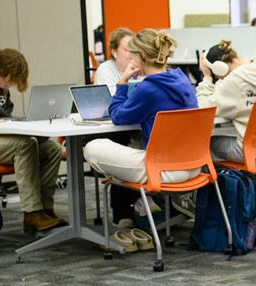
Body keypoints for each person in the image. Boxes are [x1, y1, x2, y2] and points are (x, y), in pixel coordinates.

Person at [83, 29, 199, 184]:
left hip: (164, 168)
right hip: (194, 164)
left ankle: (131, 190)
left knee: (93, 148)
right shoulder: (181, 78)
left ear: (142, 56)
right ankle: (140, 199)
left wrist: (122, 82)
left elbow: (117, 116)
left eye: (133, 55)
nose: (131, 59)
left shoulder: (148, 88)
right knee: (135, 142)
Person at [0, 49, 66, 233]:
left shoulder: (1, 86)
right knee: (24, 146)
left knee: (52, 148)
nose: (8, 87)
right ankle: (32, 213)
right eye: (7, 81)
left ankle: (45, 209)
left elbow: (3, 119)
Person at [196, 39, 256, 162]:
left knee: (202, 147)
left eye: (216, 76)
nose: (219, 79)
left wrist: (207, 78)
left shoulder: (233, 81)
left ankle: (237, 181)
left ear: (219, 68)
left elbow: (202, 108)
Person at [94, 27, 136, 95]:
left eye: (134, 49)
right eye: (126, 50)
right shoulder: (105, 70)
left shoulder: (140, 68)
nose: (131, 53)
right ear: (114, 52)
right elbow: (114, 100)